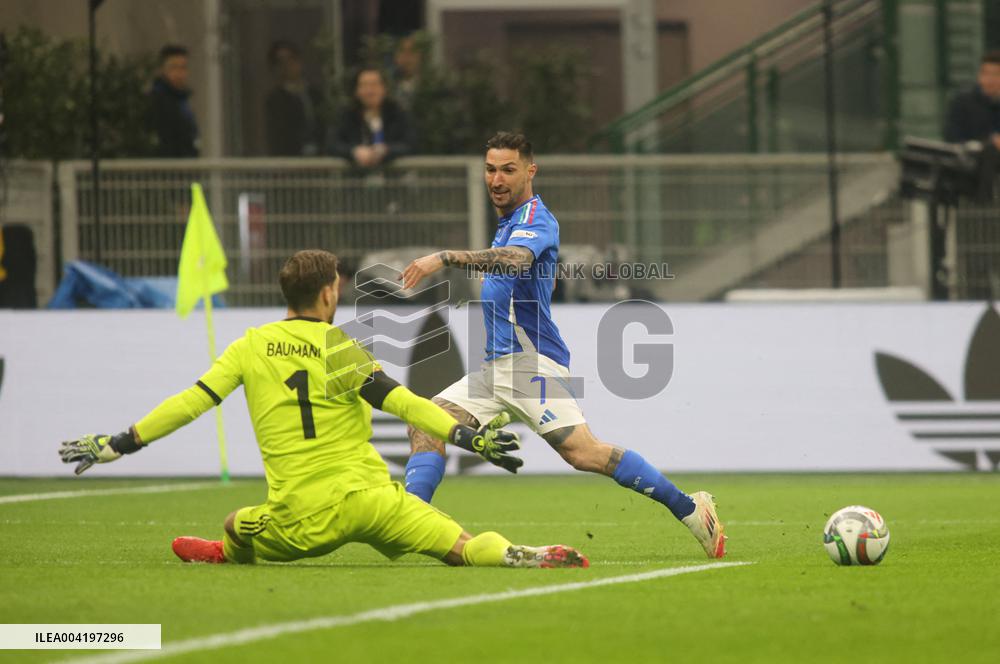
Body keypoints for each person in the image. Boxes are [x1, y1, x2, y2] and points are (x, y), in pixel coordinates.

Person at [58, 250, 588, 569]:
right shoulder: (341, 348)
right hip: (376, 501)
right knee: (463, 547)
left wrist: (120, 442)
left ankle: (226, 552)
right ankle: (523, 554)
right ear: (329, 293)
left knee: (235, 523)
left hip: (300, 520)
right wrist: (468, 437)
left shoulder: (249, 345)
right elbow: (403, 402)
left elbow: (192, 403)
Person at [398, 132, 726, 559]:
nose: (496, 179)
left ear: (530, 171)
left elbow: (517, 259)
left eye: (508, 170)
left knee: (583, 452)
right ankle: (411, 519)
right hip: (496, 369)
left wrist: (444, 258)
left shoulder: (537, 219)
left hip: (531, 366)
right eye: (491, 169)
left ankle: (692, 510)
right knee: (427, 421)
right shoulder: (506, 223)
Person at [330, 67, 415, 169]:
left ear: (384, 88)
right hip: (355, 179)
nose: (370, 91)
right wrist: (354, 151)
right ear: (356, 91)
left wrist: (386, 151)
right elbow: (332, 144)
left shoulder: (398, 113)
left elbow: (410, 144)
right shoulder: (346, 115)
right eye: (364, 85)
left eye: (374, 85)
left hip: (393, 179)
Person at [264, 40, 324, 156]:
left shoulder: (315, 95)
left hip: (319, 158)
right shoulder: (275, 99)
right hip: (291, 161)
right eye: (281, 62)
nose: (288, 65)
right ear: (275, 68)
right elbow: (278, 136)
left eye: (292, 59)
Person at [148, 44, 199, 157]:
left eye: (183, 68)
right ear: (162, 70)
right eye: (174, 67)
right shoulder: (158, 101)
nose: (179, 74)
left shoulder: (182, 101)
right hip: (170, 170)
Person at [944, 50, 1000, 147]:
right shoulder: (962, 103)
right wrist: (989, 144)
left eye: (996, 74)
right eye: (985, 73)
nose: (989, 79)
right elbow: (952, 140)